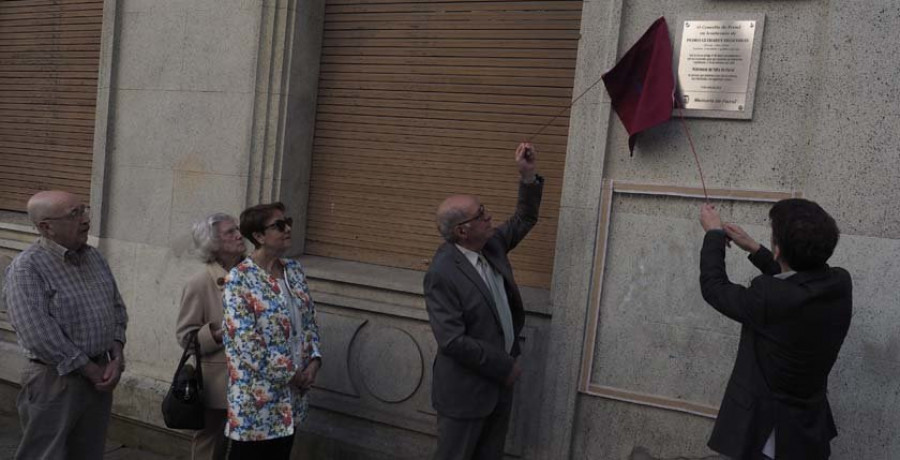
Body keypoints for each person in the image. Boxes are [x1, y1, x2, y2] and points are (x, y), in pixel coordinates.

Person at [698, 199, 852, 459]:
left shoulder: (769, 298)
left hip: (768, 435)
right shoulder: (839, 283)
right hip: (808, 430)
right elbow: (797, 284)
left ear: (778, 250)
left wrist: (713, 234)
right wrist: (756, 249)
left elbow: (714, 288)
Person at [424, 142, 542, 460]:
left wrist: (528, 176)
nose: (490, 217)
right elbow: (452, 340)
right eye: (481, 215)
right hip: (465, 393)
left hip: (498, 389)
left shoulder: (490, 246)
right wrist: (504, 366)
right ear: (463, 231)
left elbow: (524, 218)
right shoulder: (442, 273)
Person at [3, 190, 128, 460]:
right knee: (45, 454)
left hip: (100, 374)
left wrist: (116, 355)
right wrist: (89, 368)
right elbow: (38, 333)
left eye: (84, 210)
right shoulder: (27, 269)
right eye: (75, 214)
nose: (85, 220)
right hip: (55, 379)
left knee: (88, 452)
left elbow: (116, 308)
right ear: (46, 227)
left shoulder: (93, 257)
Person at [222, 203, 322, 459]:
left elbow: (309, 322)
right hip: (257, 401)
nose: (287, 228)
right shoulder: (240, 278)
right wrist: (290, 374)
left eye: (287, 222)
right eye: (278, 225)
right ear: (258, 236)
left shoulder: (294, 271)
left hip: (292, 398)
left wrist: (313, 362)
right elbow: (245, 341)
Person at [176, 213, 246, 459]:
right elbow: (186, 336)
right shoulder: (199, 283)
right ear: (213, 243)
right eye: (230, 232)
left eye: (237, 229)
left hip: (252, 378)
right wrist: (218, 333)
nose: (239, 235)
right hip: (218, 381)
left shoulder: (253, 275)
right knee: (210, 443)